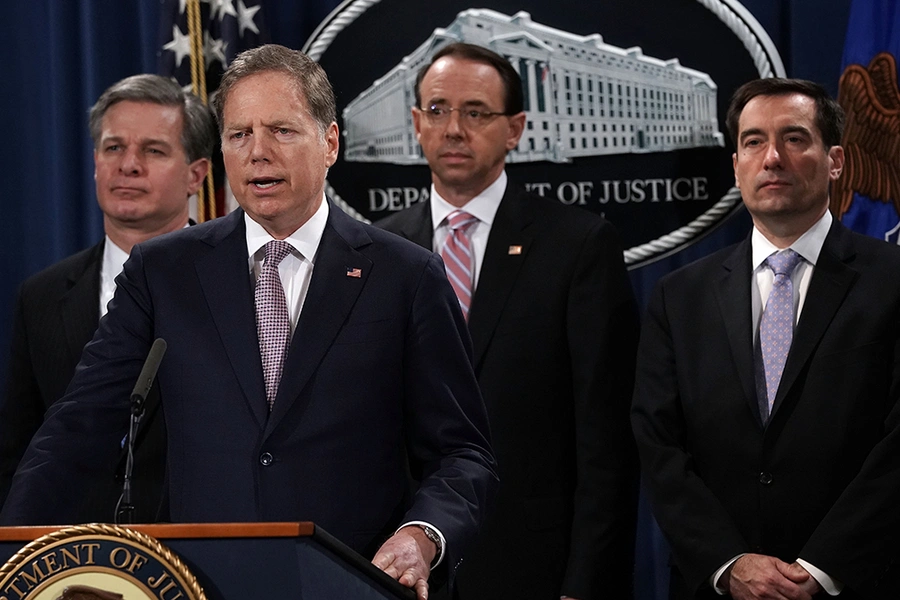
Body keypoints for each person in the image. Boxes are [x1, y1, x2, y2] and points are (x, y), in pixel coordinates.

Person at [0, 45, 497, 600]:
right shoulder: (164, 272)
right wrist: (9, 558)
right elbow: (78, 426)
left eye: (281, 131)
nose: (258, 153)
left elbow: (463, 453)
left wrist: (421, 536)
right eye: (239, 135)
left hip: (352, 583)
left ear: (330, 142)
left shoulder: (406, 275)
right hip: (201, 583)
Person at [378, 43, 640, 600]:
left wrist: (585, 581)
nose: (453, 128)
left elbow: (605, 438)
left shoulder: (577, 245)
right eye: (437, 110)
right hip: (398, 567)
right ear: (416, 123)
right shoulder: (378, 250)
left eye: (475, 112)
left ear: (516, 127)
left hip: (534, 566)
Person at [631, 77, 900, 600]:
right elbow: (658, 445)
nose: (772, 157)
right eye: (753, 141)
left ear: (836, 159)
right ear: (736, 165)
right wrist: (728, 562)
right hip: (717, 586)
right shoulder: (678, 295)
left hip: (861, 580)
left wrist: (821, 570)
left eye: (795, 138)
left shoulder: (892, 279)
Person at [0, 74, 215, 522]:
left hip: (202, 558)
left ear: (196, 174)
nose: (128, 165)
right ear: (96, 161)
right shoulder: (40, 296)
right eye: (114, 148)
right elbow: (19, 451)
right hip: (75, 564)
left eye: (153, 150)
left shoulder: (237, 285)